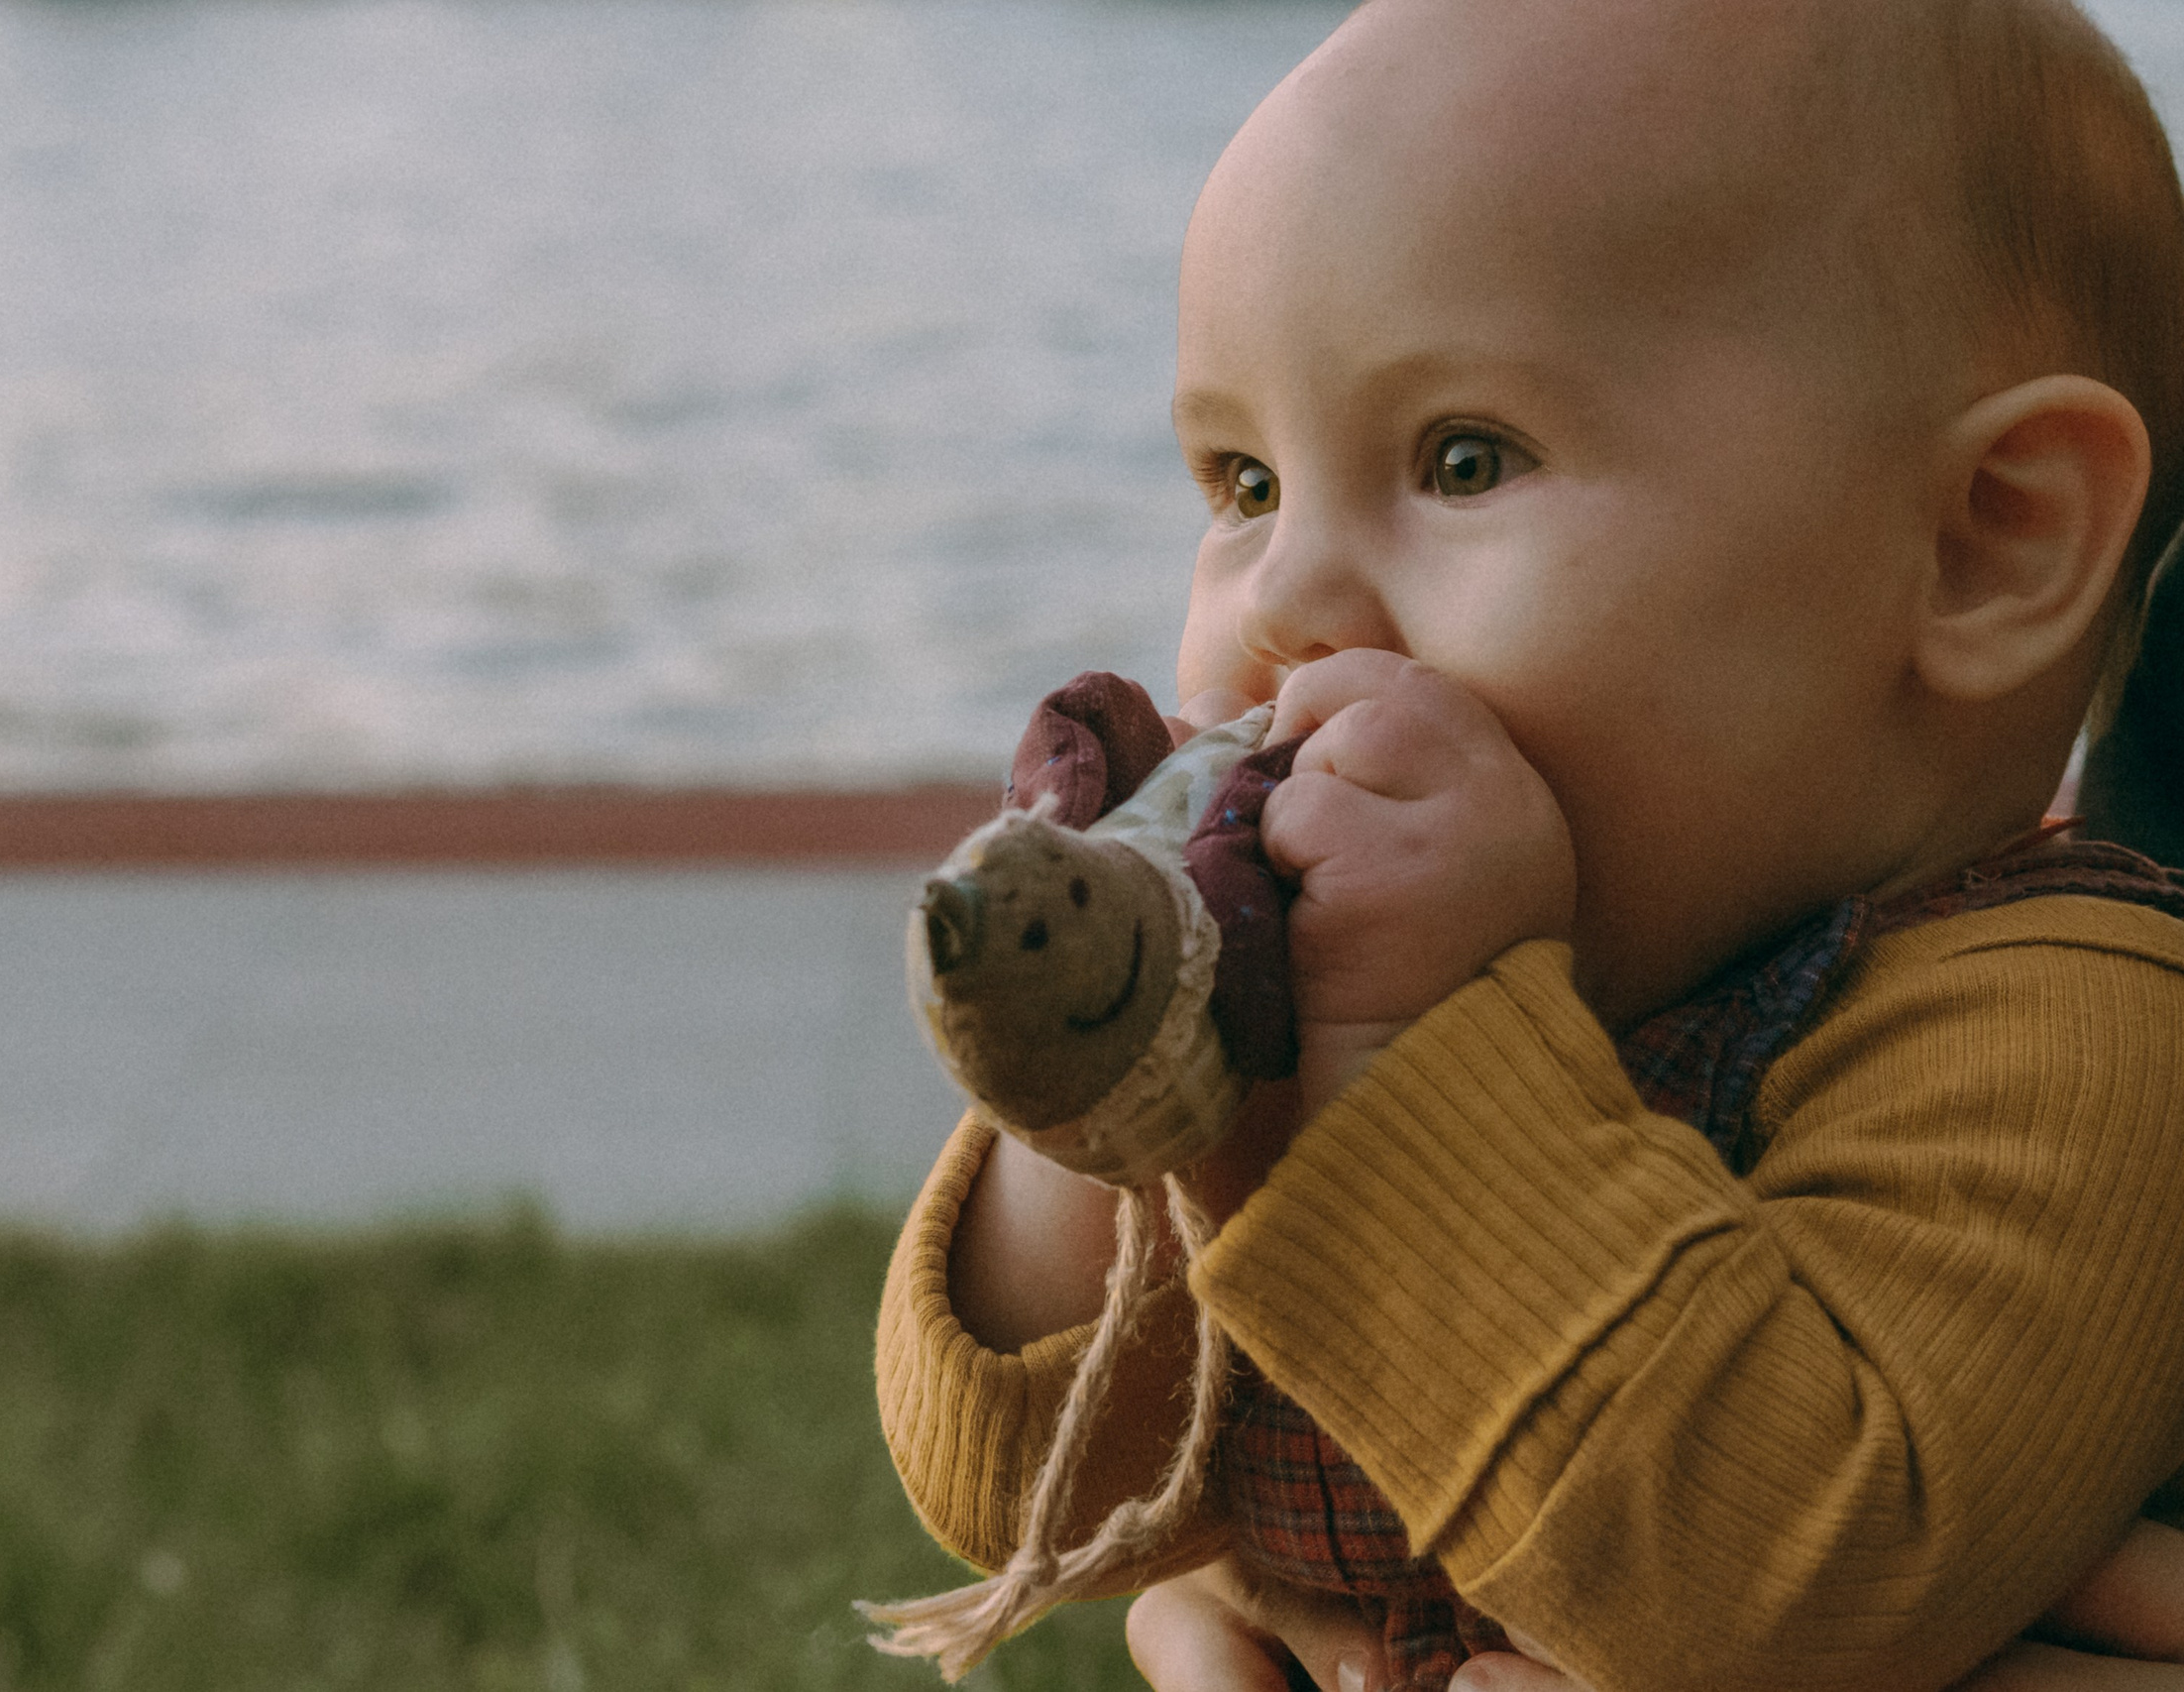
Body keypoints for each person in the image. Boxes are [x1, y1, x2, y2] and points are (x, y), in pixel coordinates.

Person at [874, 2, 2184, 1689]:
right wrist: (1110, 1095)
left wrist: (1413, 1059)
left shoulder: (2081, 1043)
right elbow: (1020, 1490)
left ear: (1986, 544)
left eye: (1463, 459)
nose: (1279, 606)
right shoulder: (1359, 998)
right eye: (1247, 482)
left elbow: (1781, 1572)